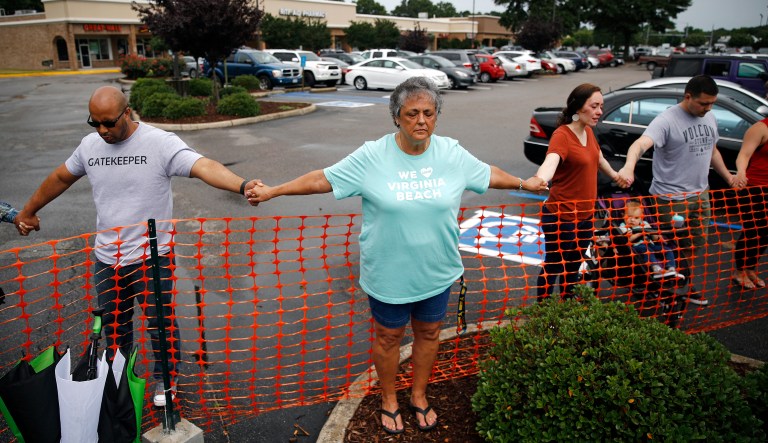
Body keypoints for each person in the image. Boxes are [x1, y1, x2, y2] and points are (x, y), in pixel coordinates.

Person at [244, 77, 546, 434]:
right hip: (389, 274)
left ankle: (418, 395)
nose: (421, 121)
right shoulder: (373, 155)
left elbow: (488, 174)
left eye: (429, 113)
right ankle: (389, 398)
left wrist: (525, 183)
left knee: (429, 333)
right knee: (388, 338)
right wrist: (274, 191)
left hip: (437, 270)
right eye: (412, 113)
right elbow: (322, 179)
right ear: (396, 117)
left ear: (437, 117)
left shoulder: (450, 153)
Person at [14, 86, 250, 407]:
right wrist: (29, 210)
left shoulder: (159, 143)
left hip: (151, 258)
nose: (102, 130)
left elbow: (203, 166)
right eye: (94, 123)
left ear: (127, 112)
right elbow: (60, 177)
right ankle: (122, 380)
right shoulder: (90, 146)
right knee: (115, 327)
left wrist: (242, 185)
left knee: (159, 323)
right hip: (107, 260)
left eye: (109, 122)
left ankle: (166, 379)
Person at [617, 75, 737, 306]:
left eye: (712, 103)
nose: (708, 108)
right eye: (703, 103)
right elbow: (640, 144)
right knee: (667, 243)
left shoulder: (709, 117)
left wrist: (729, 177)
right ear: (688, 96)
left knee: (695, 243)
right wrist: (629, 168)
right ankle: (661, 287)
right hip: (670, 198)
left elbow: (713, 152)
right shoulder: (666, 120)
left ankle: (683, 283)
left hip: (700, 194)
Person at [529, 83, 624, 301]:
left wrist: (616, 176)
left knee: (573, 267)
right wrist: (541, 178)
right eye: (594, 106)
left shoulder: (589, 132)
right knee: (554, 265)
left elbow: (599, 160)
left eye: (601, 106)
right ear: (578, 108)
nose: (599, 111)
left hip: (585, 215)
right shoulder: (562, 135)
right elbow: (551, 160)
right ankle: (544, 311)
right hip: (562, 217)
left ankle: (565, 307)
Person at [731, 118, 768, 289]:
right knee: (753, 232)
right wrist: (741, 173)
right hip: (756, 189)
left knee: (765, 235)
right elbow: (744, 155)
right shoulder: (760, 128)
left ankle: (751, 268)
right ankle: (739, 271)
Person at [619, 199, 682, 279]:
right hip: (637, 247)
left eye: (636, 218)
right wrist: (641, 232)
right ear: (623, 215)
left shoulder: (645, 224)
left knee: (667, 250)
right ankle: (656, 269)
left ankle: (671, 268)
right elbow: (628, 240)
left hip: (650, 245)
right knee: (647, 250)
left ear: (641, 217)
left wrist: (657, 236)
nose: (632, 220)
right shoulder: (623, 226)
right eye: (629, 217)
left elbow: (654, 238)